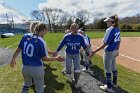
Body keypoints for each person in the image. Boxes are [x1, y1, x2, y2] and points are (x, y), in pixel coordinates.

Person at [10, 22, 64, 93]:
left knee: (26, 84)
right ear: (43, 30)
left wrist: (13, 59)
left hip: (25, 68)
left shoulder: (25, 36)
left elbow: (18, 49)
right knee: (39, 89)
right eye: (46, 30)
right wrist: (56, 58)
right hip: (37, 68)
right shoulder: (41, 41)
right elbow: (44, 58)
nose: (46, 33)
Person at [90, 15, 121, 93]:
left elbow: (105, 43)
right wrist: (117, 49)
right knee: (113, 67)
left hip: (109, 51)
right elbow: (119, 40)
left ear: (111, 21)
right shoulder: (117, 29)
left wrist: (95, 51)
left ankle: (109, 87)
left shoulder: (109, 29)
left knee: (108, 70)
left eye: (108, 21)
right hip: (115, 51)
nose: (106, 22)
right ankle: (114, 83)